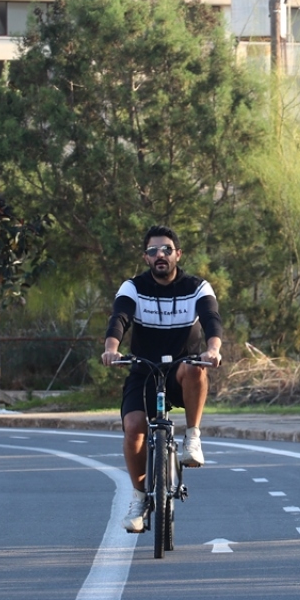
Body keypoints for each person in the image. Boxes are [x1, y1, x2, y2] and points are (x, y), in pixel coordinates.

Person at [101, 225, 223, 533]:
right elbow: (120, 318)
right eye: (154, 251)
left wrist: (213, 349)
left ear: (178, 254)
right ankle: (140, 497)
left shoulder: (197, 286)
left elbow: (211, 319)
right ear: (145, 257)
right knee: (133, 429)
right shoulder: (133, 287)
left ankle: (192, 438)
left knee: (197, 367)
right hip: (143, 370)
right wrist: (111, 350)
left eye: (167, 250)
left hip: (181, 372)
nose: (160, 255)